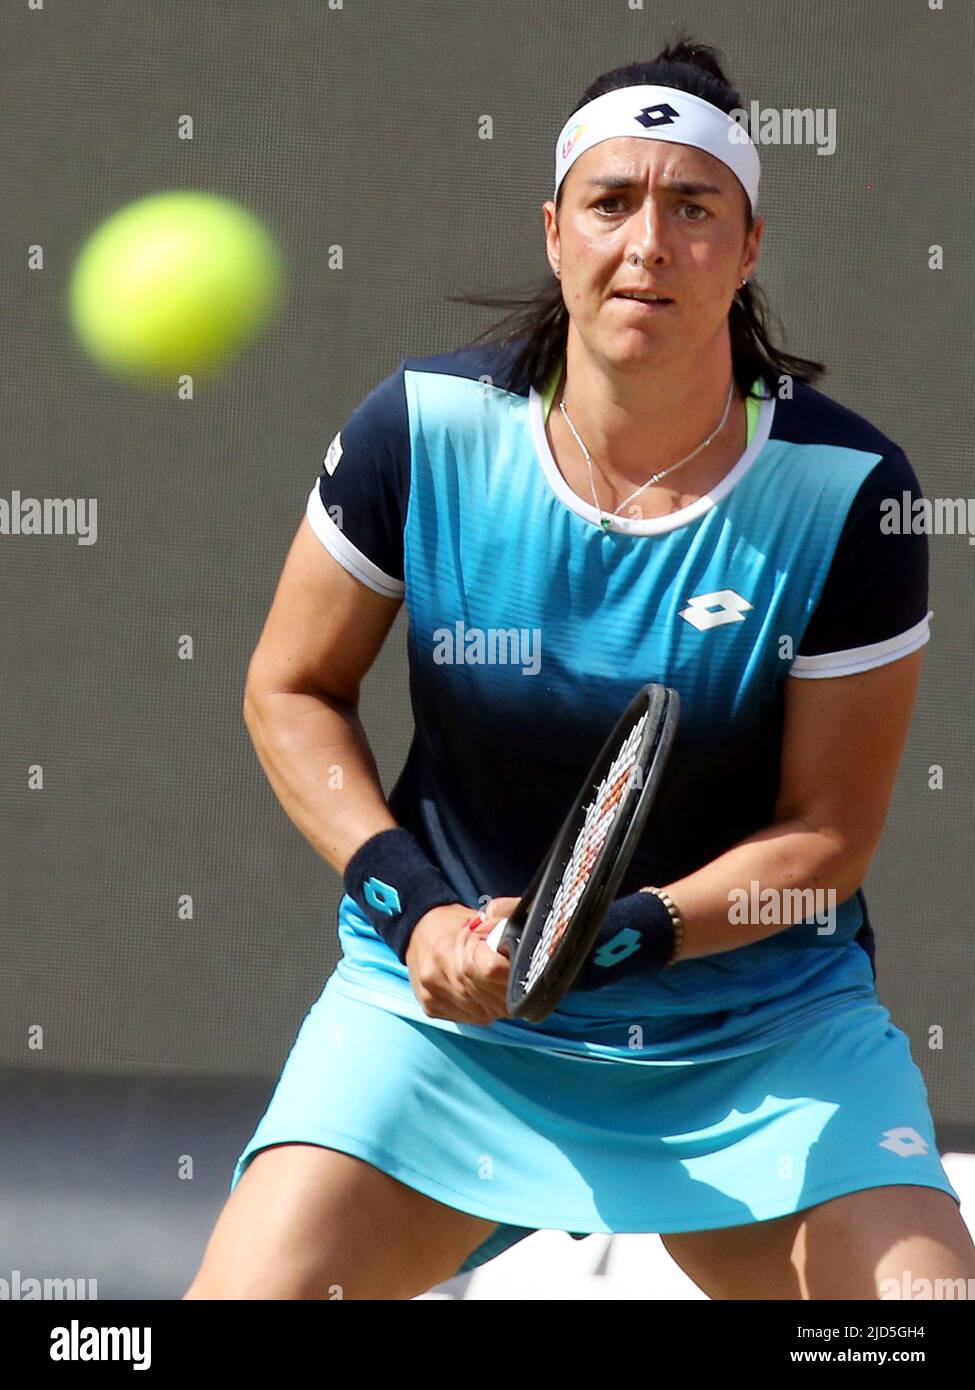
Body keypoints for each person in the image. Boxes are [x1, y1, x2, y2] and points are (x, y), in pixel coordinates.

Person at [184, 39, 975, 1300]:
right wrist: (418, 908)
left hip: (758, 1030)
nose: (648, 243)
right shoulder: (421, 430)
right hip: (442, 1022)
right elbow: (291, 689)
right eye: (612, 202)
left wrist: (615, 939)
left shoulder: (847, 493)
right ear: (555, 232)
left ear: (749, 245)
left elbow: (828, 831)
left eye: (693, 207)